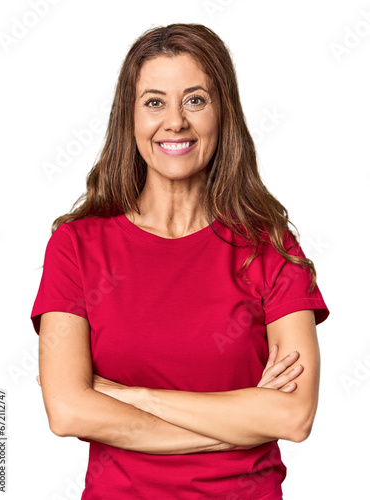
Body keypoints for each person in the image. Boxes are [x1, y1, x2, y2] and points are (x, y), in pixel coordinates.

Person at [31, 23, 329, 500]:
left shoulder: (270, 248)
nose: (175, 122)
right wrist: (242, 420)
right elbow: (69, 410)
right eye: (154, 102)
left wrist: (130, 396)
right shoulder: (76, 246)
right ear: (128, 118)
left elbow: (293, 417)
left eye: (195, 100)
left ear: (222, 113)